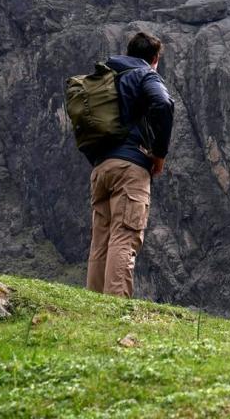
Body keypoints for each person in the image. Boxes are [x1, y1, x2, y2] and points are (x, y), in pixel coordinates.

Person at [86, 31, 174, 298]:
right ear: (155, 58)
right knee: (125, 236)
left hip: (101, 168)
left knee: (100, 241)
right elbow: (163, 103)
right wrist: (159, 154)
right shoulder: (145, 74)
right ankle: (115, 306)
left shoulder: (108, 75)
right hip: (129, 167)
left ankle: (93, 305)